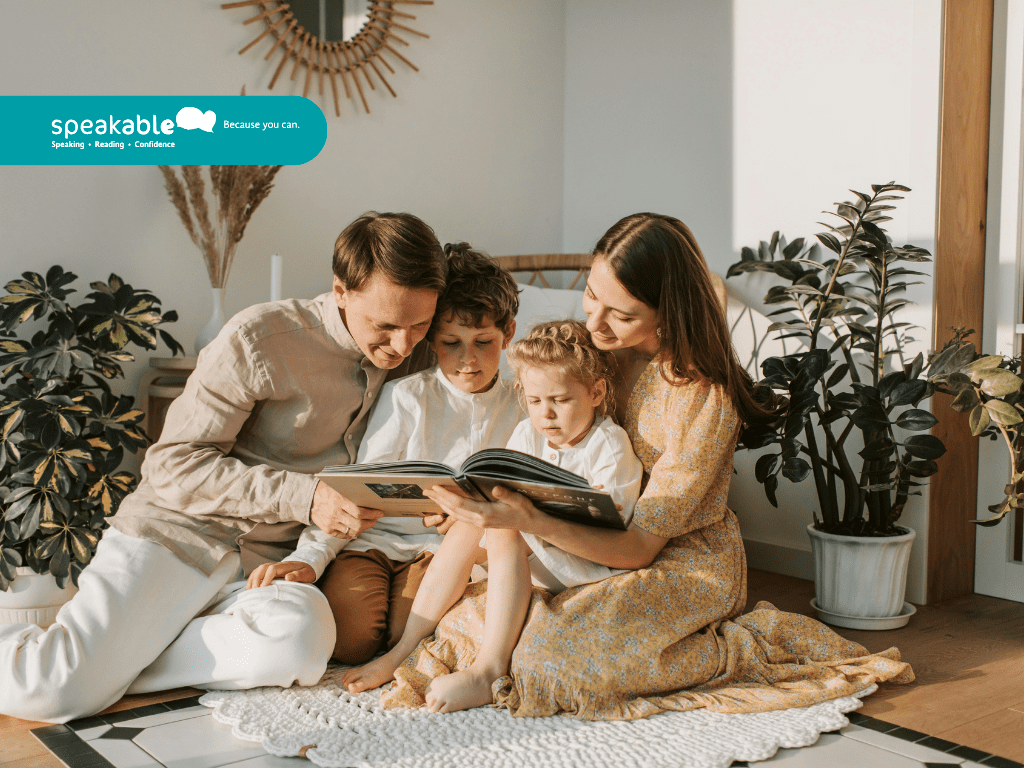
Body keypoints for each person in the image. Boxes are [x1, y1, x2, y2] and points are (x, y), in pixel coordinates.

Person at [383, 212, 914, 720]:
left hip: (676, 561)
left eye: (621, 312)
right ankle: (501, 645)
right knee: (471, 611)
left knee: (553, 661)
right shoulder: (599, 355)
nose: (594, 321)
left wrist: (527, 521)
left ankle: (716, 644)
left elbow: (639, 549)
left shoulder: (703, 399)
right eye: (592, 295)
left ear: (668, 310)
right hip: (580, 537)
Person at [0, 212, 446, 723]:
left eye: (420, 324)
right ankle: (82, 667)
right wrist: (306, 498)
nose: (403, 345)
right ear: (341, 290)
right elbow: (172, 465)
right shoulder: (261, 337)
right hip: (178, 535)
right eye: (384, 325)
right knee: (52, 695)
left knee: (300, 645)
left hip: (265, 568)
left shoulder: (418, 354)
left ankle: (116, 664)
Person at [246, 243, 525, 667]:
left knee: (406, 634)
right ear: (431, 338)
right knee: (350, 641)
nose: (467, 359)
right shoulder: (406, 397)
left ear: (509, 333)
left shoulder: (525, 404)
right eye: (451, 343)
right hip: (371, 542)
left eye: (483, 342)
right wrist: (308, 558)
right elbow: (357, 487)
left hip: (442, 550)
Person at [343, 320, 643, 712]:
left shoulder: (610, 446)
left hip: (582, 563)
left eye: (561, 400)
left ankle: (489, 669)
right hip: (539, 555)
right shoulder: (526, 434)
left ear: (596, 392)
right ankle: (402, 651)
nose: (546, 415)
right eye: (535, 402)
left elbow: (611, 528)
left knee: (502, 526)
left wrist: (523, 517)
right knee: (474, 522)